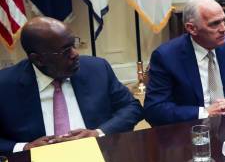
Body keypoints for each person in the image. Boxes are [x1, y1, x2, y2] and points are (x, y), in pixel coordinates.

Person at [0, 17, 143, 154]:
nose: (75, 54)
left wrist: (98, 133)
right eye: (65, 51)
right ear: (38, 59)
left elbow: (132, 108)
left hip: (99, 155)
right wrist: (25, 147)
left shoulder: (97, 69)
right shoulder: (5, 85)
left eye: (73, 45)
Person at [144, 0, 225, 126]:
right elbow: (154, 110)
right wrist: (205, 113)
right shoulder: (166, 56)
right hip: (191, 128)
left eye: (223, 21)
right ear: (192, 28)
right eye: (215, 24)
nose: (224, 29)